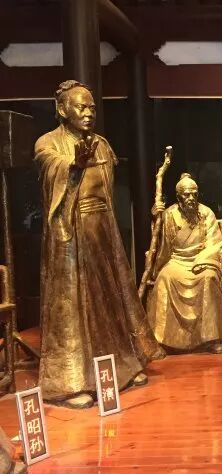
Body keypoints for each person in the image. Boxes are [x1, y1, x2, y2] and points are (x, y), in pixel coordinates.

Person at [35, 80, 161, 410]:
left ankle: (122, 367)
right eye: (81, 107)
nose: (89, 113)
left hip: (101, 228)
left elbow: (107, 190)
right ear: (62, 109)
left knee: (109, 298)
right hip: (69, 233)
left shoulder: (102, 144)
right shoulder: (48, 143)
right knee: (74, 305)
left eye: (92, 107)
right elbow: (50, 170)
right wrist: (74, 165)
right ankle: (71, 382)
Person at [147, 173, 222, 354]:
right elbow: (162, 245)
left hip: (201, 260)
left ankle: (212, 338)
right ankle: (162, 339)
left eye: (194, 194)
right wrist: (156, 218)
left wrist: (203, 260)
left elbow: (215, 243)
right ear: (179, 197)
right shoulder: (169, 214)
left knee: (208, 278)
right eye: (186, 194)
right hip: (176, 260)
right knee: (164, 278)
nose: (191, 198)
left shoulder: (207, 213)